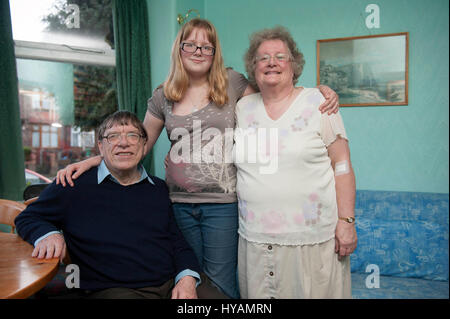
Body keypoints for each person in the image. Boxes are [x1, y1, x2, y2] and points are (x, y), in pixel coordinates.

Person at [55, 18, 340, 299]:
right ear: (179, 50)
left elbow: (274, 97)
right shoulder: (163, 95)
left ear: (215, 53)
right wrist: (95, 161)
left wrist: (317, 93)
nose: (198, 52)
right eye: (190, 45)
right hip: (178, 204)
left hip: (222, 206)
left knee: (220, 286)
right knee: (189, 277)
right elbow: (139, 144)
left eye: (207, 47)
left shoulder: (232, 82)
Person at [14, 111, 226, 299]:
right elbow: (27, 217)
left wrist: (187, 278)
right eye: (113, 136)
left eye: (132, 135)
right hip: (114, 289)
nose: (123, 143)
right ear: (101, 146)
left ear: (144, 145)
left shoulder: (158, 188)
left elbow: (177, 242)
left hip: (172, 282)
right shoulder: (74, 185)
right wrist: (50, 234)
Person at [234, 26, 357, 298]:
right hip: (255, 240)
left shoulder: (319, 103)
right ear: (253, 67)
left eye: (280, 56)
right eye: (263, 58)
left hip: (311, 241)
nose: (271, 62)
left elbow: (342, 165)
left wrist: (346, 221)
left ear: (294, 64)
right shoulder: (243, 107)